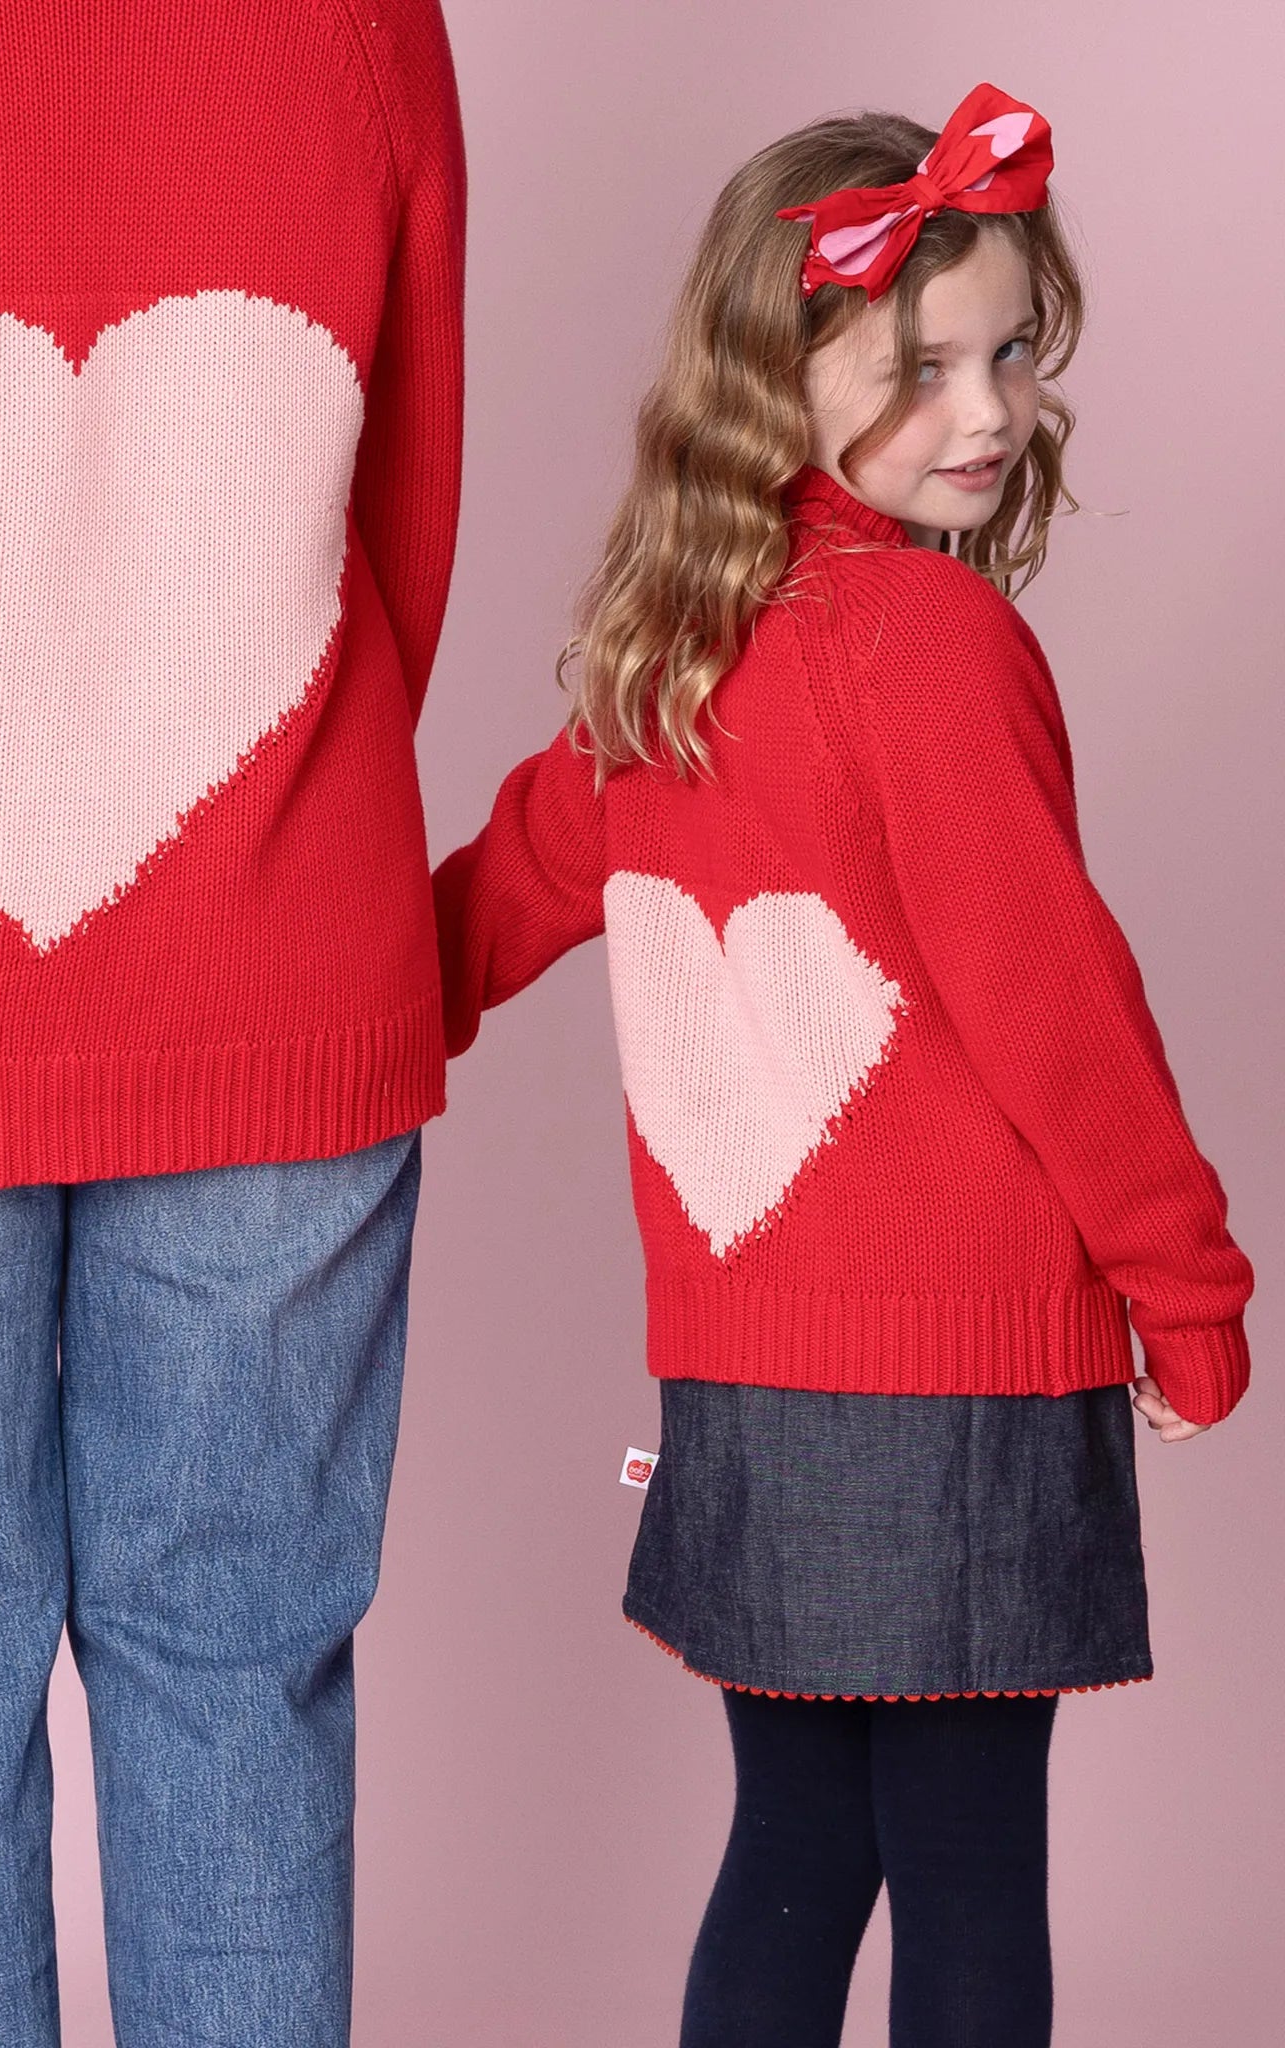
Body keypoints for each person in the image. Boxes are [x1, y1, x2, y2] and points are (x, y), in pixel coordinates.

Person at [432, 82, 1253, 2048]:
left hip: (748, 1375)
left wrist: (306, 1014)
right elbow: (1057, 999)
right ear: (777, 379)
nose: (991, 414)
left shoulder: (670, 653)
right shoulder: (932, 645)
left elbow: (487, 904)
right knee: (966, 1868)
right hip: (961, 1371)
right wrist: (1188, 1284)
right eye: (923, 369)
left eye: (1014, 355)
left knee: (793, 1841)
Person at [0, 2, 463, 2044]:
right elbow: (405, 495)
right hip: (274, 937)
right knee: (239, 1660)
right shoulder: (364, 21)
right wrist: (283, 827)